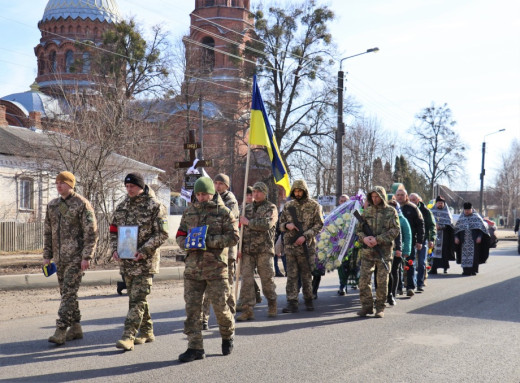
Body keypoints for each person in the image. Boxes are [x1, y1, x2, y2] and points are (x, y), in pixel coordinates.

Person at [176, 177, 238, 362]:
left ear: (213, 193)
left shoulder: (224, 212)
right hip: (193, 268)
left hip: (216, 269)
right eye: (199, 194)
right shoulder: (189, 211)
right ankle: (195, 347)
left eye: (205, 194)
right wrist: (186, 243)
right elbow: (180, 233)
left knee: (220, 306)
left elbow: (234, 237)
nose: (201, 197)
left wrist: (209, 242)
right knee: (192, 309)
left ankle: (227, 334)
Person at [111, 173, 169, 351]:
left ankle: (128, 336)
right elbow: (114, 230)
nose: (129, 190)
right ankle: (147, 331)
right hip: (127, 262)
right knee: (136, 298)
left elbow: (162, 233)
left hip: (145, 262)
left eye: (132, 187)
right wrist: (115, 249)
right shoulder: (122, 207)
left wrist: (144, 251)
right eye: (127, 187)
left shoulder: (155, 206)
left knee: (137, 299)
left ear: (141, 187)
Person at [43, 171, 98, 345]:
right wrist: (47, 256)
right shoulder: (52, 205)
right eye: (57, 182)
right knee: (67, 293)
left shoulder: (82, 204)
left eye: (63, 182)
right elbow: (47, 232)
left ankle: (61, 330)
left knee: (68, 293)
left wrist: (87, 256)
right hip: (60, 259)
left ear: (71, 184)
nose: (59, 185)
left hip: (76, 257)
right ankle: (76, 327)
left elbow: (92, 233)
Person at [201, 173, 239, 330]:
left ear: (227, 186)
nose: (217, 186)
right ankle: (204, 318)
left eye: (220, 184)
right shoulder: (208, 200)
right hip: (208, 251)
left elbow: (227, 221)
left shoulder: (230, 201)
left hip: (226, 251)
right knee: (206, 286)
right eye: (215, 183)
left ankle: (229, 315)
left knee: (226, 285)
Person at [279, 179, 324, 313]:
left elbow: (319, 225)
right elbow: (280, 224)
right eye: (296, 191)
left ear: (305, 191)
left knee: (306, 275)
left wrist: (305, 236)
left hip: (307, 247)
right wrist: (287, 225)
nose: (298, 193)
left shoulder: (314, 205)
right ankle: (292, 302)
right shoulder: (288, 206)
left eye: (300, 191)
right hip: (291, 247)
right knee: (291, 275)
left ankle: (308, 300)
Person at [236, 182, 278, 320]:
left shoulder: (271, 208)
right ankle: (247, 309)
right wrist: (238, 249)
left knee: (267, 280)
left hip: (263, 250)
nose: (256, 194)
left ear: (265, 193)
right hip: (247, 250)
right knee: (247, 281)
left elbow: (267, 224)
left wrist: (248, 222)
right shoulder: (245, 209)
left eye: (259, 191)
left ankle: (272, 303)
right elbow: (238, 230)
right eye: (254, 191)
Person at [356, 186, 400, 318]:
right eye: (373, 197)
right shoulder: (366, 211)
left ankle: (380, 307)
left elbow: (395, 230)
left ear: (382, 197)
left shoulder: (391, 211)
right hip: (368, 252)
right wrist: (365, 238)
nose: (375, 199)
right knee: (363, 280)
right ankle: (366, 306)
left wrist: (378, 239)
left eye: (377, 197)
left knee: (382, 281)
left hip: (384, 252)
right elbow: (358, 230)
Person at [395, 189, 424, 297]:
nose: (400, 197)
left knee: (410, 264)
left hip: (409, 241)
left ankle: (410, 287)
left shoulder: (413, 208)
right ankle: (397, 288)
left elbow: (421, 225)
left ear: (406, 196)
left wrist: (420, 241)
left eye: (402, 195)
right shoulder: (392, 208)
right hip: (395, 242)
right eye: (398, 195)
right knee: (396, 266)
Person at [236, 186, 262, 311]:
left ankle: (249, 298)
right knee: (245, 274)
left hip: (257, 246)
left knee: (248, 274)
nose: (249, 197)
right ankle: (253, 294)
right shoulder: (240, 210)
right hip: (243, 245)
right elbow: (236, 229)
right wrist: (237, 247)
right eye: (247, 195)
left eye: (251, 195)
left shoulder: (257, 210)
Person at [409, 193, 436, 291]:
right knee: (410, 262)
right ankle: (411, 283)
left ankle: (420, 283)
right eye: (410, 199)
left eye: (414, 199)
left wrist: (431, 239)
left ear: (419, 200)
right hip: (411, 240)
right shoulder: (406, 209)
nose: (412, 201)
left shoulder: (426, 211)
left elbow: (432, 226)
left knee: (421, 262)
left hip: (423, 239)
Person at [454, 202, 491, 276]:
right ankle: (465, 270)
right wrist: (456, 237)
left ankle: (473, 270)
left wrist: (479, 237)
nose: (467, 211)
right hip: (463, 241)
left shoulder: (476, 217)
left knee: (474, 256)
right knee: (464, 256)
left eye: (468, 210)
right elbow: (456, 229)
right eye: (465, 210)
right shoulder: (461, 218)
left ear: (471, 209)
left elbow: (482, 229)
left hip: (474, 241)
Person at [387, 200, 411, 306]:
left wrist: (405, 250)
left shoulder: (402, 220)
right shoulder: (384, 219)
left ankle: (393, 293)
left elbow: (407, 235)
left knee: (394, 272)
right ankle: (384, 294)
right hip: (385, 250)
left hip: (397, 250)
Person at [429, 196, 455, 274]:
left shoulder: (447, 212)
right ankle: (433, 268)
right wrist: (434, 226)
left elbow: (449, 225)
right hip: (433, 235)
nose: (440, 204)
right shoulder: (431, 212)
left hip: (444, 236)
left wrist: (441, 226)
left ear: (444, 204)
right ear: (436, 203)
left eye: (441, 203)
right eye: (438, 203)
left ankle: (445, 267)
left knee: (444, 252)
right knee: (433, 252)